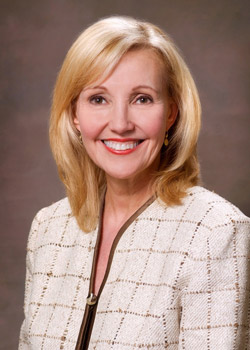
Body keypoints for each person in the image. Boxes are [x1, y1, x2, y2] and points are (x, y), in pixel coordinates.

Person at [19, 16, 250, 350]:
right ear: (74, 114)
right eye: (98, 99)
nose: (121, 123)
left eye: (142, 98)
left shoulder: (215, 232)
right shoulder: (48, 230)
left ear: (171, 113)